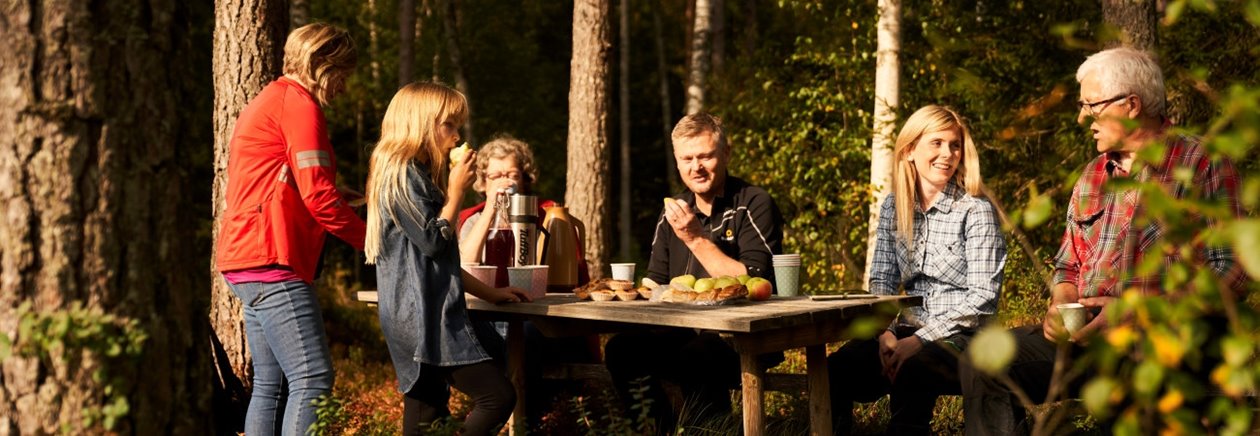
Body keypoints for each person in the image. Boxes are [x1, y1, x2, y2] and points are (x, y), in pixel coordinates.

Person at [959, 47, 1245, 436]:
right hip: (1087, 338)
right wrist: (1061, 305)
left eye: (1091, 105)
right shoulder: (1093, 175)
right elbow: (1067, 266)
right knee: (982, 360)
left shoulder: (1201, 162)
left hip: (1165, 344)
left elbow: (1234, 271)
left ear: (1131, 105)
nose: (1083, 118)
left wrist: (1137, 311)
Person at [214, 23, 364, 435]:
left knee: (270, 384)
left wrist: (337, 192)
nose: (343, 88)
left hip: (245, 259)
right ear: (322, 65)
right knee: (313, 380)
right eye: (343, 75)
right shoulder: (300, 106)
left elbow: (288, 178)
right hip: (271, 259)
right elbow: (317, 197)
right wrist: (372, 242)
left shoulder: (273, 99)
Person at [826, 105, 1006, 435]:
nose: (948, 154)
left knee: (912, 370)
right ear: (909, 150)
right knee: (835, 370)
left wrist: (919, 340)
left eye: (954, 145)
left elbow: (983, 299)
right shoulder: (895, 206)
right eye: (936, 143)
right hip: (902, 332)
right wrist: (886, 334)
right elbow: (881, 281)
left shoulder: (975, 209)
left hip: (962, 337)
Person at [365, 82, 531, 436]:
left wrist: (489, 294)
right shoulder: (402, 174)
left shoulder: (418, 173)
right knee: (498, 397)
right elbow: (432, 242)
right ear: (422, 123)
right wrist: (455, 192)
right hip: (424, 317)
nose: (457, 136)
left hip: (420, 311)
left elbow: (441, 263)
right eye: (449, 125)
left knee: (425, 413)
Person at [603, 112, 785, 430]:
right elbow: (654, 283)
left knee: (696, 358)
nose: (695, 167)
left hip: (743, 336)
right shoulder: (672, 209)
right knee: (622, 350)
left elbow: (757, 281)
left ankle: (713, 430)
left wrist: (694, 237)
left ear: (726, 154)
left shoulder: (754, 202)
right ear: (676, 160)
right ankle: (659, 429)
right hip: (681, 332)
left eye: (705, 156)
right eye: (687, 158)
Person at [456, 134, 589, 287]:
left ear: (525, 180)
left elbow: (561, 271)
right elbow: (466, 264)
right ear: (482, 183)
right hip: (486, 302)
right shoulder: (473, 219)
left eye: (513, 175)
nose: (505, 181)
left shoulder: (544, 216)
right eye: (495, 176)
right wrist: (491, 208)